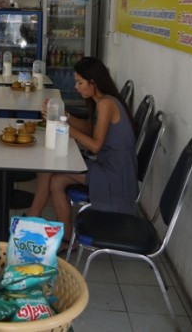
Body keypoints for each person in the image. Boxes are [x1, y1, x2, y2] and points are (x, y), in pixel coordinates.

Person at [24, 56, 138, 252]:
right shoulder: (101, 101)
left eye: (80, 82)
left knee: (50, 172)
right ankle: (65, 237)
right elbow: (89, 128)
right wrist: (64, 115)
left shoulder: (106, 104)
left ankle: (35, 218)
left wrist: (64, 127)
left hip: (115, 176)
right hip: (111, 168)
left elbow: (94, 145)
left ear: (93, 82)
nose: (76, 86)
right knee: (55, 180)